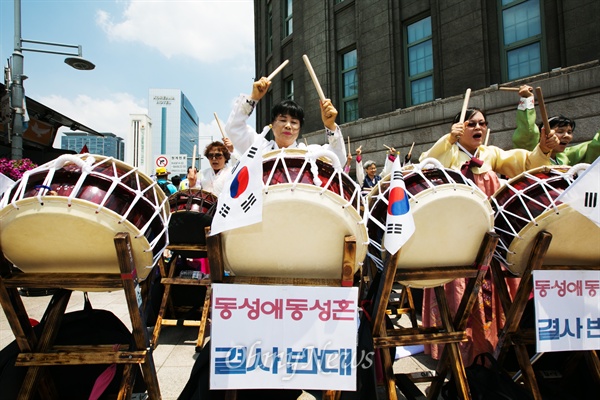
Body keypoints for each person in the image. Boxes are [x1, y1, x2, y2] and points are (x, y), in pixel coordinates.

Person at [418, 107, 558, 367]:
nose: (478, 128)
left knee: (492, 293)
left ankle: (489, 352)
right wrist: (447, 140)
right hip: (455, 241)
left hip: (488, 240)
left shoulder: (491, 154)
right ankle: (458, 356)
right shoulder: (447, 152)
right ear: (458, 127)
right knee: (457, 295)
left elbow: (527, 164)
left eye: (482, 123)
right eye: (471, 123)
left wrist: (544, 149)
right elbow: (424, 163)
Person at [224, 76, 347, 165]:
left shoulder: (310, 153)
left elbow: (339, 159)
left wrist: (330, 125)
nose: (288, 126)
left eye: (294, 122)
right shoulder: (258, 148)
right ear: (272, 124)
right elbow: (234, 127)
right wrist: (253, 98)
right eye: (283, 120)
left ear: (299, 128)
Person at [511, 85, 600, 165]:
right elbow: (527, 130)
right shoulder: (531, 151)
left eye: (569, 132)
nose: (566, 136)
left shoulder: (563, 158)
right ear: (543, 134)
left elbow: (594, 147)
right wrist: (527, 98)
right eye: (560, 131)